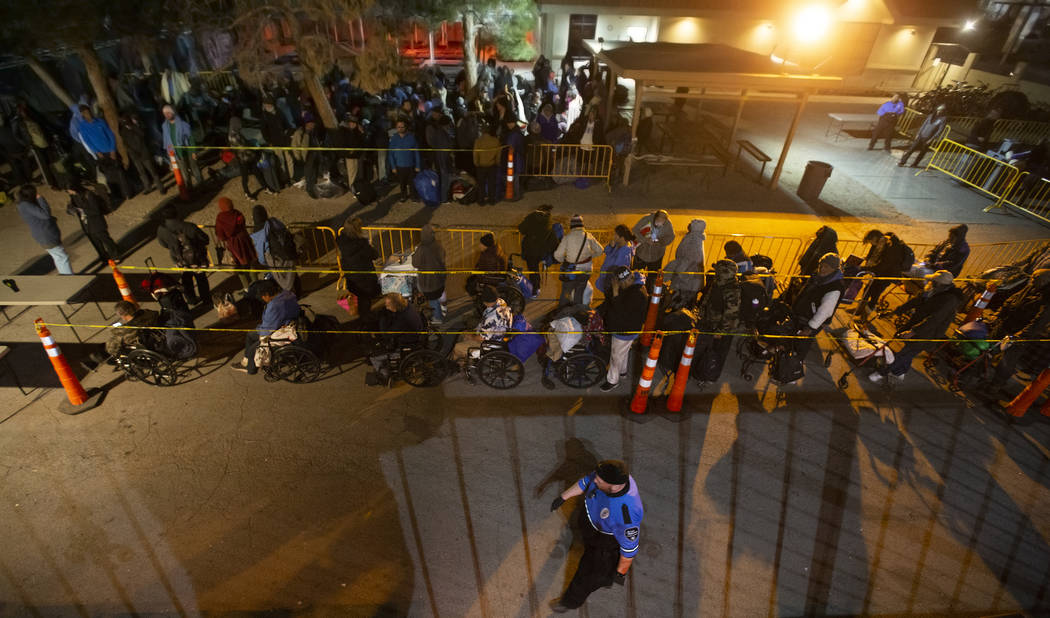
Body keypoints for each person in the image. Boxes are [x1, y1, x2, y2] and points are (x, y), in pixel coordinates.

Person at [548, 460, 644, 613]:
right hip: (593, 526)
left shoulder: (627, 513)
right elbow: (585, 482)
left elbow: (629, 549)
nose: (594, 480)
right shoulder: (606, 478)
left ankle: (570, 602)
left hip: (604, 542)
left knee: (587, 575)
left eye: (599, 481)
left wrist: (620, 573)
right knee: (595, 564)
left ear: (614, 486)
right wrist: (563, 497)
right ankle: (606, 575)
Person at [870, 270, 965, 384]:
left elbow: (934, 320)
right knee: (908, 352)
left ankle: (881, 373)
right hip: (918, 324)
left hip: (928, 332)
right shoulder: (933, 291)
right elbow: (915, 301)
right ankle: (900, 372)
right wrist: (895, 312)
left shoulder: (949, 300)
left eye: (933, 281)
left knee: (905, 353)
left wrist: (913, 331)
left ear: (941, 284)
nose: (931, 283)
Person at [692, 259, 766, 385]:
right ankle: (702, 372)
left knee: (717, 354)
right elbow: (708, 298)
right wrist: (701, 312)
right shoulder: (719, 283)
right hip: (711, 324)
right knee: (707, 351)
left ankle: (710, 377)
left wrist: (721, 331)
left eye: (718, 270)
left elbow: (731, 315)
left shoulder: (732, 290)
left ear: (723, 273)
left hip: (723, 330)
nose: (715, 272)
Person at [986, 270, 1050, 396]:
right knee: (988, 347)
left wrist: (1021, 335)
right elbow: (1012, 300)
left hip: (1019, 333)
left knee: (1007, 360)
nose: (1032, 279)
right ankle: (978, 371)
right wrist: (998, 314)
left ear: (1045, 281)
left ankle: (996, 385)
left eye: (1035, 278)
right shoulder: (1031, 287)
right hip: (1007, 323)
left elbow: (1038, 322)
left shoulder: (1047, 298)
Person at [233, 279, 300, 375]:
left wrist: (259, 330)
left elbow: (267, 330)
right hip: (289, 322)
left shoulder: (273, 306)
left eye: (263, 297)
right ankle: (245, 361)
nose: (263, 299)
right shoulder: (287, 294)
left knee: (253, 349)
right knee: (250, 335)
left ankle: (250, 369)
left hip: (281, 331)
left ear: (267, 295)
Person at [599, 266, 648, 392]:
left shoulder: (635, 294)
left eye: (619, 283)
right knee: (623, 352)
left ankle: (612, 381)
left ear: (625, 280)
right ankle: (622, 372)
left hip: (625, 330)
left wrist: (615, 293)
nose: (619, 286)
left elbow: (620, 310)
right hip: (629, 328)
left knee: (616, 356)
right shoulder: (636, 287)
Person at [789, 253, 845, 360]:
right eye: (821, 265)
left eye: (826, 267)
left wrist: (810, 328)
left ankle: (794, 364)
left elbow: (825, 311)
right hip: (803, 316)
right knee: (794, 340)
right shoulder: (818, 276)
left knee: (802, 344)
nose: (822, 269)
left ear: (834, 269)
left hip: (811, 321)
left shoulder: (835, 287)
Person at [74, 105, 132, 202]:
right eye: (85, 113)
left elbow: (110, 134)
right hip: (101, 154)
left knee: (120, 172)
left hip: (110, 150)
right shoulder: (82, 127)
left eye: (89, 111)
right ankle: (118, 196)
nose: (88, 114)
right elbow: (88, 142)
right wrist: (97, 152)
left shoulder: (100, 121)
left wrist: (112, 149)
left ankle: (128, 193)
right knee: (109, 176)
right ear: (83, 115)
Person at [156, 206, 212, 307]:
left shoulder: (161, 230)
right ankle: (206, 299)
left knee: (186, 278)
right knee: (201, 279)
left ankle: (191, 299)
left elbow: (163, 244)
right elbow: (205, 239)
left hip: (178, 259)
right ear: (177, 214)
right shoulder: (189, 227)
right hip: (196, 258)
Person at [369, 292, 427, 383]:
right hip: (415, 334)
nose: (386, 307)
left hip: (406, 345)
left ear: (395, 307)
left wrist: (383, 319)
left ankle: (384, 375)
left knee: (374, 357)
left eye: (388, 306)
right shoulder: (408, 306)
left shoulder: (403, 320)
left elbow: (387, 334)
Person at [15, 184, 73, 274]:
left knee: (58, 256)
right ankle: (69, 277)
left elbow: (37, 217)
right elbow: (45, 215)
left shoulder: (23, 205)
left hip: (44, 234)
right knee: (62, 257)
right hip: (46, 235)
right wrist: (41, 199)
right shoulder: (26, 205)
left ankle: (66, 275)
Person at [65, 178, 122, 263]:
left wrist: (82, 210)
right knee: (96, 243)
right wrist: (70, 210)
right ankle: (104, 257)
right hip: (86, 224)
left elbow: (96, 210)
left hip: (96, 223)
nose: (69, 192)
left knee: (105, 239)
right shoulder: (74, 196)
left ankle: (115, 255)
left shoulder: (89, 195)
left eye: (69, 190)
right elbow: (73, 207)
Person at [337, 216, 382, 320]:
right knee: (365, 302)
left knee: (360, 297)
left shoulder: (342, 241)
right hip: (364, 276)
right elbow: (374, 255)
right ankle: (366, 321)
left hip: (351, 275)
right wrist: (370, 246)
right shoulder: (361, 244)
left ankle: (364, 318)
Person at [452, 285, 512, 362]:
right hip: (501, 334)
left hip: (491, 344)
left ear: (484, 302)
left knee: (457, 347)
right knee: (465, 333)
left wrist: (471, 336)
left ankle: (459, 364)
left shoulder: (491, 318)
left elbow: (482, 338)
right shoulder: (501, 301)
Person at [554, 214, 603, 306]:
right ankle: (577, 312)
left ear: (571, 225)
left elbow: (557, 255)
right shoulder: (588, 236)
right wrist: (590, 256)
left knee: (566, 292)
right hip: (586, 270)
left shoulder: (567, 238)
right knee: (579, 292)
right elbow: (600, 250)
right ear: (582, 225)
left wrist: (564, 260)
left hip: (571, 271)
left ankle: (561, 313)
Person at [858, 229, 910, 316]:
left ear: (875, 238)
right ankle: (859, 310)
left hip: (888, 275)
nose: (871, 244)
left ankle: (864, 317)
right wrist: (865, 264)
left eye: (871, 241)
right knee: (867, 290)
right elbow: (871, 255)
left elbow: (884, 265)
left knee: (875, 294)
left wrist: (864, 268)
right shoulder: (880, 243)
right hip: (879, 272)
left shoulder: (891, 247)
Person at [250, 205, 299, 293]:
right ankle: (298, 290)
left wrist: (263, 262)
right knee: (291, 274)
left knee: (282, 279)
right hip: (287, 251)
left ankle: (292, 295)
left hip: (274, 258)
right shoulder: (273, 221)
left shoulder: (257, 231)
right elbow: (285, 230)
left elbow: (260, 251)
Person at [214, 196, 258, 290]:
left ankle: (246, 287)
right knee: (250, 262)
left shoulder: (220, 218)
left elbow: (221, 235)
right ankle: (256, 283)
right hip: (244, 240)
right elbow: (243, 223)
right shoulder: (237, 213)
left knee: (238, 266)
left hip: (233, 244)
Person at [517, 204, 558, 296]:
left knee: (533, 269)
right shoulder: (549, 221)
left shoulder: (532, 218)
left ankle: (535, 289)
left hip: (531, 250)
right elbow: (552, 238)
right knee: (535, 269)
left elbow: (521, 229)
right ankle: (537, 286)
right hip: (543, 251)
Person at [664, 218, 706, 307]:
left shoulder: (693, 239)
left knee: (681, 303)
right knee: (685, 302)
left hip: (686, 279)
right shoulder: (695, 237)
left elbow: (691, 259)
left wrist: (677, 270)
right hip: (689, 278)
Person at [161, 104, 203, 189]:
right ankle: (189, 189)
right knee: (184, 172)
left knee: (194, 168)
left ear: (173, 112)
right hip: (177, 154)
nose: (167, 115)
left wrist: (194, 151)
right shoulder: (165, 126)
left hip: (188, 151)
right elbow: (166, 141)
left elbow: (190, 138)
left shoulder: (183, 124)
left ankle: (202, 185)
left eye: (168, 113)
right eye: (165, 113)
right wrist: (170, 156)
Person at [412, 223, 447, 324]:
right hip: (440, 277)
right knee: (441, 293)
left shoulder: (421, 248)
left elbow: (415, 263)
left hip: (428, 281)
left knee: (433, 300)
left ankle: (437, 318)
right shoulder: (438, 245)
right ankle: (444, 307)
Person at [631, 210, 675, 282]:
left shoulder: (667, 224)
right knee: (636, 275)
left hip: (656, 256)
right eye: (659, 220)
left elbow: (671, 237)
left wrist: (660, 242)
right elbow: (635, 230)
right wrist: (645, 240)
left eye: (663, 221)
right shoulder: (646, 219)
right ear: (655, 217)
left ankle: (649, 290)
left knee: (653, 278)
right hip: (641, 254)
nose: (660, 223)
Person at [596, 225, 637, 295]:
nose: (613, 236)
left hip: (612, 282)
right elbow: (606, 251)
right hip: (607, 277)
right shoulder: (617, 245)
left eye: (615, 234)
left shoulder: (625, 252)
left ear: (622, 237)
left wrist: (612, 283)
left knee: (610, 299)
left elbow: (618, 268)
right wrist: (610, 246)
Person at [387, 119, 421, 202]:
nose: (401, 128)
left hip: (410, 164)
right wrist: (393, 167)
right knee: (402, 183)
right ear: (396, 128)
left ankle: (413, 196)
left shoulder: (411, 138)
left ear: (406, 127)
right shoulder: (394, 139)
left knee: (412, 183)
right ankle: (403, 196)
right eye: (399, 127)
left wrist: (418, 165)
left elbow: (416, 152)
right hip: (399, 165)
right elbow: (390, 154)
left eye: (402, 127)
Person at [473, 122, 502, 205]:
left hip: (481, 165)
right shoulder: (496, 141)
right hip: (492, 165)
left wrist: (476, 162)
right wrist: (497, 162)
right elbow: (498, 154)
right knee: (492, 183)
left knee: (481, 184)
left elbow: (475, 153)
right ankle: (492, 200)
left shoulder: (478, 141)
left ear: (482, 131)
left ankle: (481, 201)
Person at [502, 118, 525, 200]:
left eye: (510, 123)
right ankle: (516, 194)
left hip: (513, 158)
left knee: (514, 178)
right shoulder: (517, 133)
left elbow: (510, 146)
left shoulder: (513, 134)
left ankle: (515, 194)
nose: (509, 125)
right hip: (516, 158)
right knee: (515, 177)